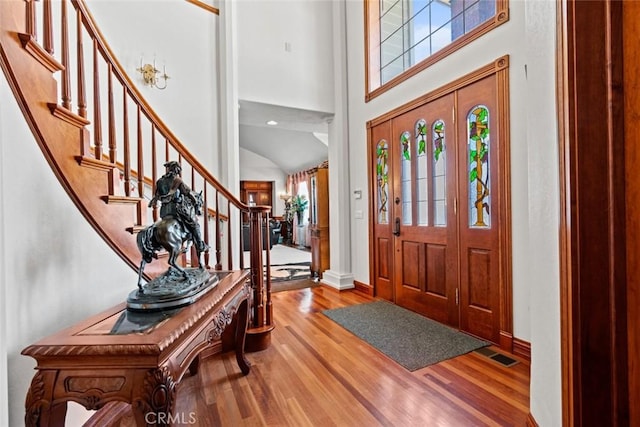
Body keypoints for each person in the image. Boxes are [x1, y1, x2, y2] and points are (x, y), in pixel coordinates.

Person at [148, 161, 209, 252]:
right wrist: (195, 201)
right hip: (176, 209)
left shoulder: (159, 182)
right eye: (178, 169)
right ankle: (200, 245)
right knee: (194, 224)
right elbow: (187, 192)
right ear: (176, 169)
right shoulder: (177, 180)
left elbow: (156, 196)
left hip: (164, 211)